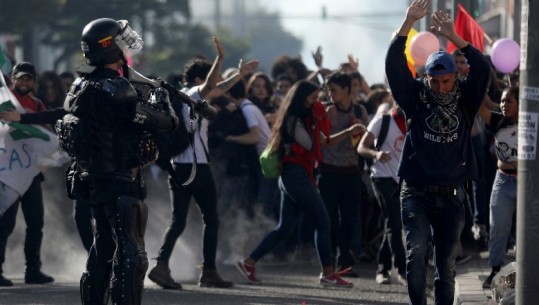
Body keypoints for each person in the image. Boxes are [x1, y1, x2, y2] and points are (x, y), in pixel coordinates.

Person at [55, 18, 179, 305]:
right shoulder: (117, 89)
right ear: (109, 49)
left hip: (94, 179)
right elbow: (166, 122)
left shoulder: (81, 84)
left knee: (104, 247)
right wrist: (162, 98)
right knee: (132, 255)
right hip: (121, 178)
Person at [386, 1, 491, 304]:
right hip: (416, 191)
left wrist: (454, 37)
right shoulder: (415, 97)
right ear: (426, 78)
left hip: (452, 194)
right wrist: (408, 23)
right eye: (435, 81)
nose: (441, 88)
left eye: (446, 81)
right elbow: (394, 65)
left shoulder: (466, 99)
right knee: (416, 254)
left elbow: (482, 68)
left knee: (446, 268)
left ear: (455, 78)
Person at [148, 37, 258, 290]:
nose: (215, 83)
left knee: (179, 221)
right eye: (210, 77)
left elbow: (218, 88)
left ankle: (161, 266)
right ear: (199, 79)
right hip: (197, 166)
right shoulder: (195, 93)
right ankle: (208, 272)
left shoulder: (181, 95)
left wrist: (240, 74)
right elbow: (212, 86)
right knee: (212, 219)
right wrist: (220, 58)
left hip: (178, 166)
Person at [235, 80, 355, 288]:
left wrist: (344, 131)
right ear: (302, 99)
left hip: (296, 175)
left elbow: (322, 142)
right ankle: (328, 273)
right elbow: (310, 144)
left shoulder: (304, 117)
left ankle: (249, 263)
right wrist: (321, 117)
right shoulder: (293, 119)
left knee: (285, 227)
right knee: (323, 222)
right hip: (295, 176)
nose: (316, 102)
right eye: (313, 99)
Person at [0, 61, 55, 287]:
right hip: (8, 173)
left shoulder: (37, 104)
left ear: (34, 81)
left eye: (28, 79)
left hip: (31, 172)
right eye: (20, 78)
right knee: (5, 223)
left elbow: (47, 132)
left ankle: (33, 269)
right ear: (12, 78)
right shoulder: (5, 101)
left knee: (36, 222)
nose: (24, 82)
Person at [318, 71, 366, 277]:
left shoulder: (359, 111)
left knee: (349, 218)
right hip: (329, 171)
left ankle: (344, 261)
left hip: (351, 172)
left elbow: (361, 143)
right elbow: (323, 141)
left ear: (347, 90)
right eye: (329, 90)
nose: (331, 94)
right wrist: (347, 132)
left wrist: (357, 132)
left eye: (334, 90)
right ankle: (328, 263)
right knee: (329, 219)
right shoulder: (326, 111)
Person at [357, 104, 407, 285]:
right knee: (395, 221)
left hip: (403, 180)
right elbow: (362, 148)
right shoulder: (382, 121)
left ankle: (383, 269)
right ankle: (403, 271)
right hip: (382, 177)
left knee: (391, 223)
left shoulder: (417, 120)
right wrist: (376, 154)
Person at [477, 86, 518, 288]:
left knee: (530, 230)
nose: (503, 105)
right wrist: (473, 80)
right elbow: (479, 107)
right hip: (503, 181)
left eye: (509, 101)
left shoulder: (531, 122)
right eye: (502, 101)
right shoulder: (497, 120)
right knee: (498, 228)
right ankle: (495, 270)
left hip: (527, 183)